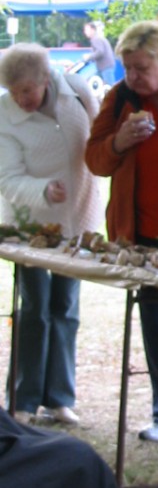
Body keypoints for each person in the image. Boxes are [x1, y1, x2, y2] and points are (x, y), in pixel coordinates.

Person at [85, 20, 158, 442]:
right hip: (141, 236)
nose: (132, 77)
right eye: (127, 67)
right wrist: (119, 142)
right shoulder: (119, 100)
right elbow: (95, 161)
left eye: (141, 68)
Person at [0, 43, 103, 426]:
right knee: (35, 311)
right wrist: (43, 189)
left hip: (78, 217)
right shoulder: (5, 115)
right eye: (15, 92)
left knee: (66, 308)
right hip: (30, 225)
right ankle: (24, 399)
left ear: (45, 79)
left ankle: (60, 397)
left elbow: (98, 138)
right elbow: (6, 178)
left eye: (28, 89)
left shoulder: (77, 90)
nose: (22, 99)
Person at [83, 21, 116, 86]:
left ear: (92, 30)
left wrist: (89, 57)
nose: (85, 32)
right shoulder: (98, 38)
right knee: (92, 82)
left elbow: (100, 52)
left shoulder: (96, 39)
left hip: (106, 66)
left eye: (86, 30)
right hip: (104, 66)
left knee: (109, 87)